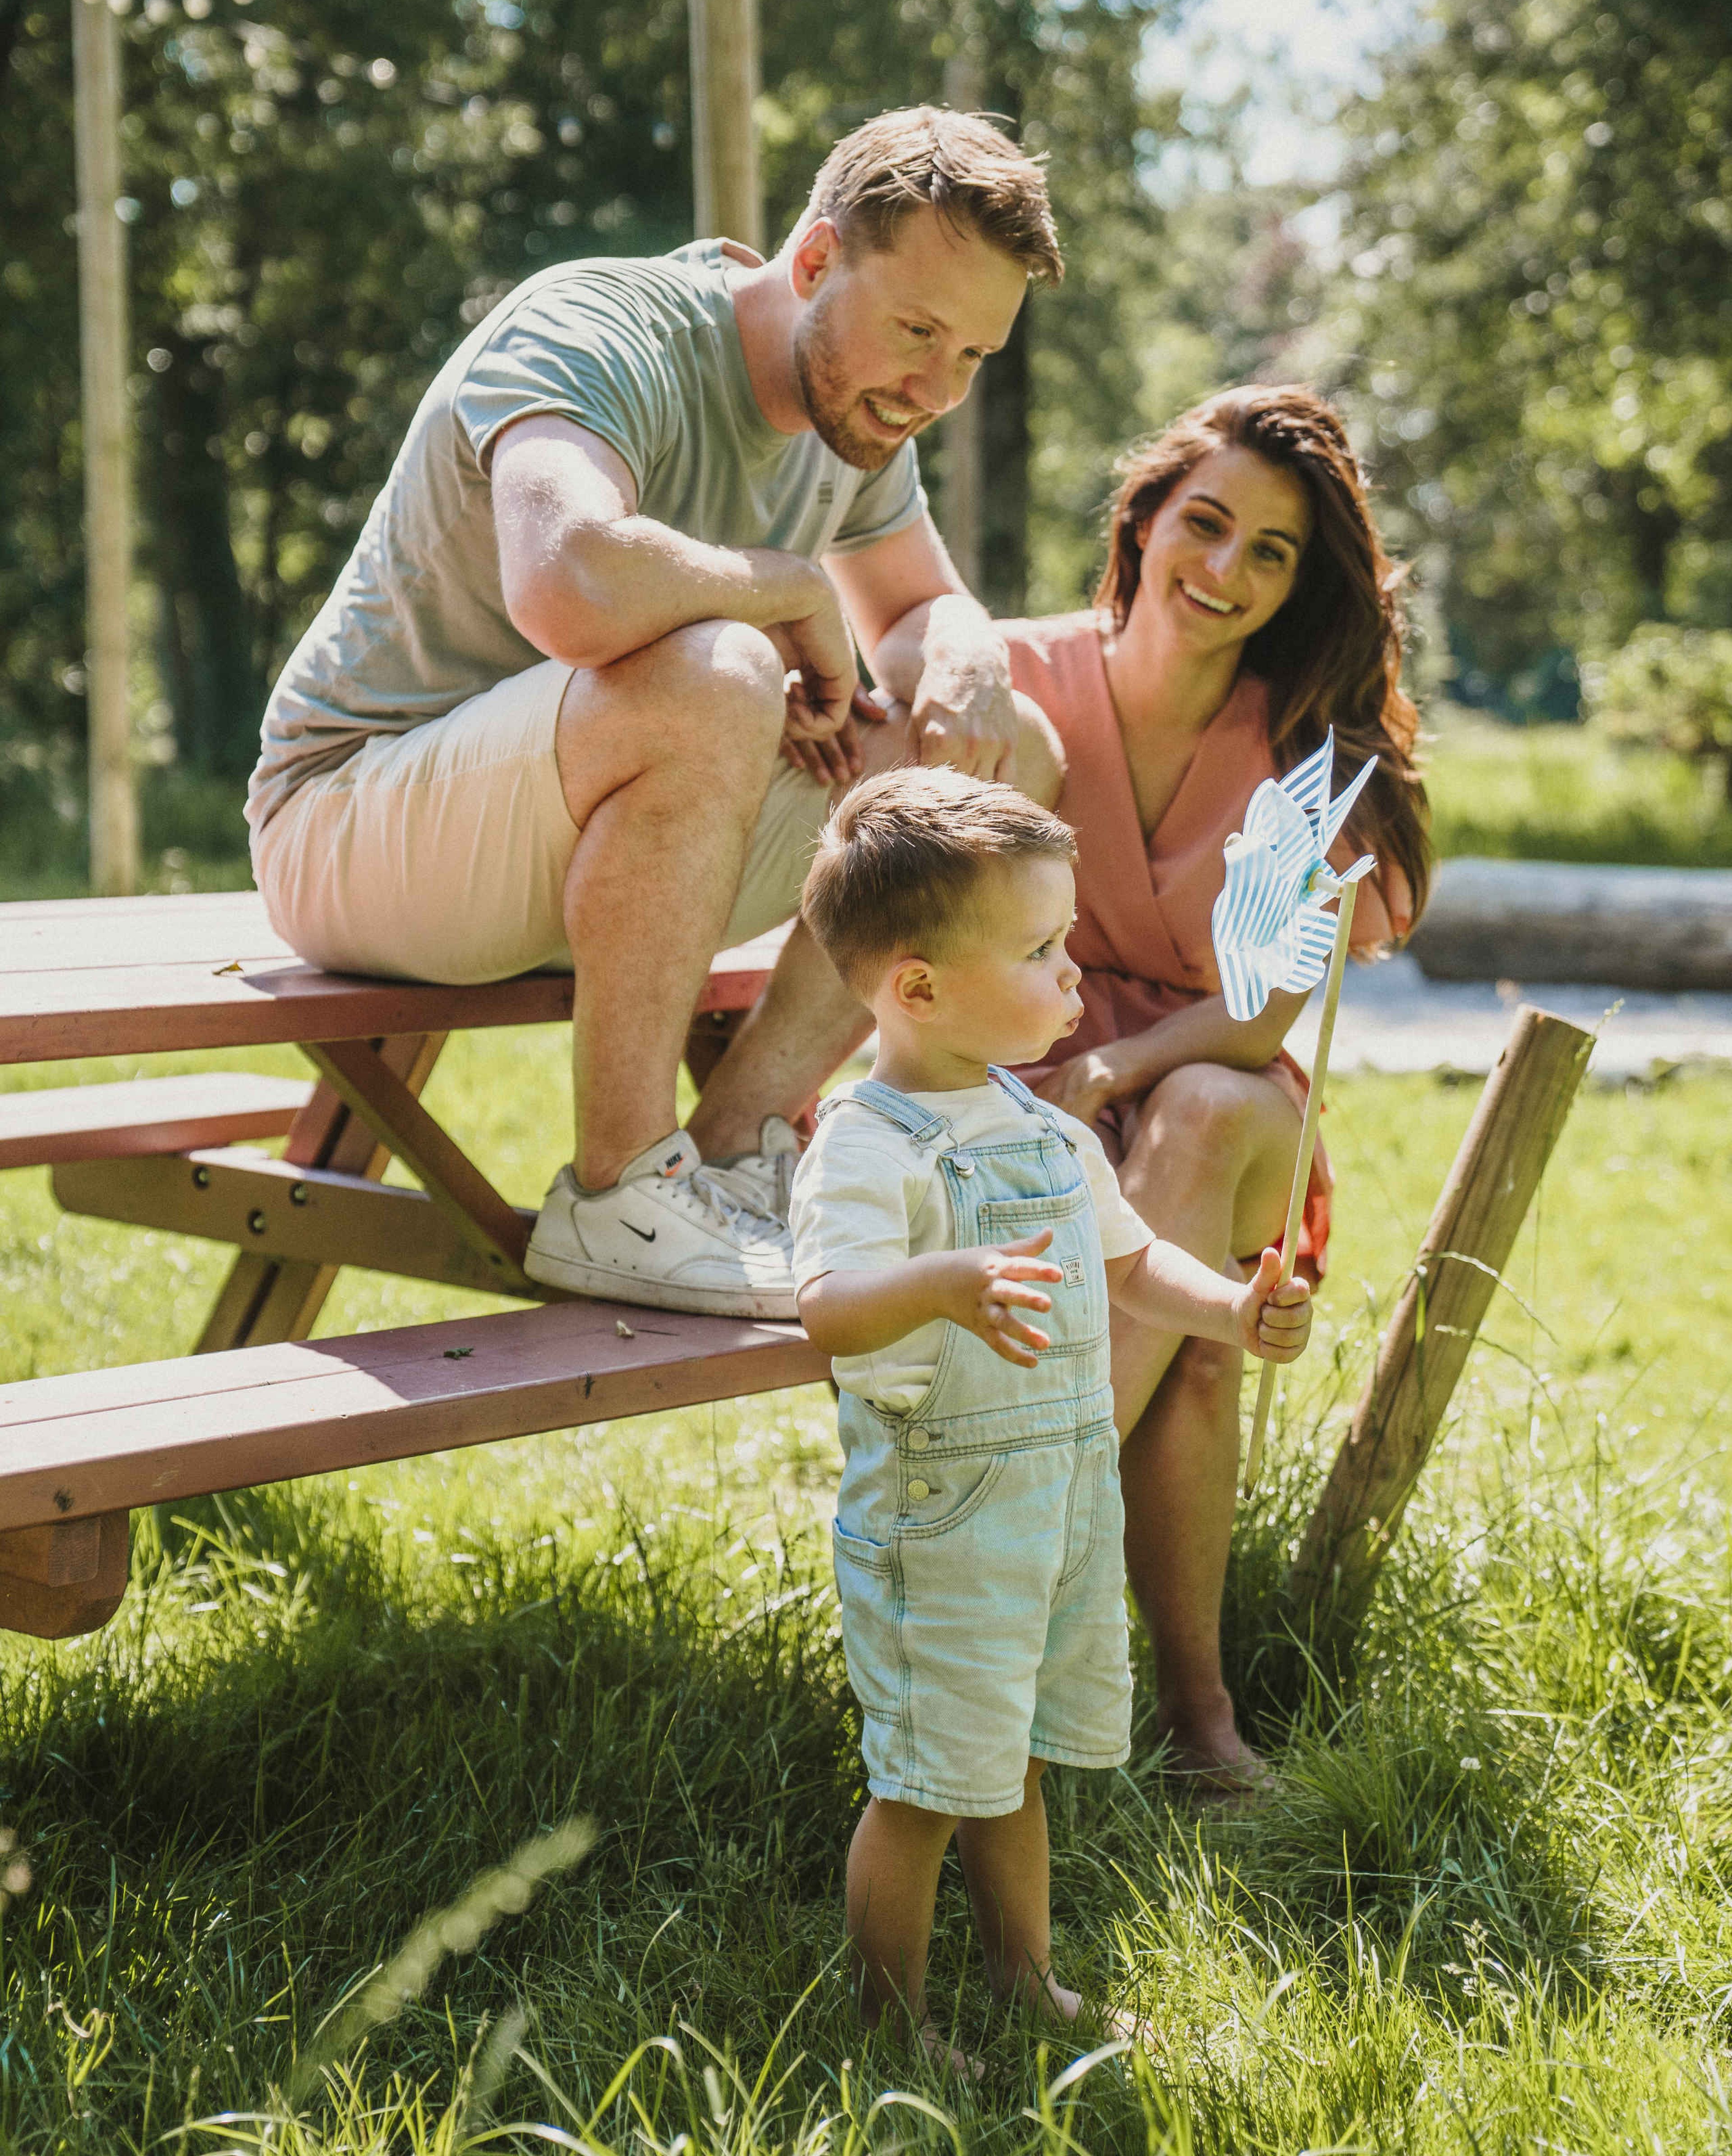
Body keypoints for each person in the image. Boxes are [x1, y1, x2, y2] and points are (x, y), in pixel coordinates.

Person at [245, 107, 1066, 1319]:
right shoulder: (599, 325)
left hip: (585, 830)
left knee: (1002, 765)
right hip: (351, 824)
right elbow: (567, 580)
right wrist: (790, 585)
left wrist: (966, 654)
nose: (936, 388)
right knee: (722, 674)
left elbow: (917, 610)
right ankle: (619, 1193)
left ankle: (733, 1151)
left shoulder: (864, 407)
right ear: (816, 262)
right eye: (919, 334)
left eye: (972, 358)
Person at [790, 770, 1312, 2056]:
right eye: (1039, 950)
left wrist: (1235, 1311)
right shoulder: (867, 1142)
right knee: (924, 1785)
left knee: (1009, 1761)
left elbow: (1134, 1264)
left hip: (1060, 1497)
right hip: (943, 1520)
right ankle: (891, 2022)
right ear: (916, 987)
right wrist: (947, 1284)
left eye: (1066, 939)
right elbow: (829, 1305)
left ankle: (1026, 1978)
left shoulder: (1044, 1124)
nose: (1075, 975)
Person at [997, 385, 1432, 1792]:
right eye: (1207, 525)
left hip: (1209, 1098)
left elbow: (1255, 1026)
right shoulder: (1011, 683)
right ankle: (1196, 1724)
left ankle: (1009, 1547)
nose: (1226, 572)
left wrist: (1120, 1059)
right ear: (1142, 521)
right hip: (1023, 1106)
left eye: (1274, 554)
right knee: (1193, 1353)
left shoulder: (1308, 752)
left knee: (1196, 1121)